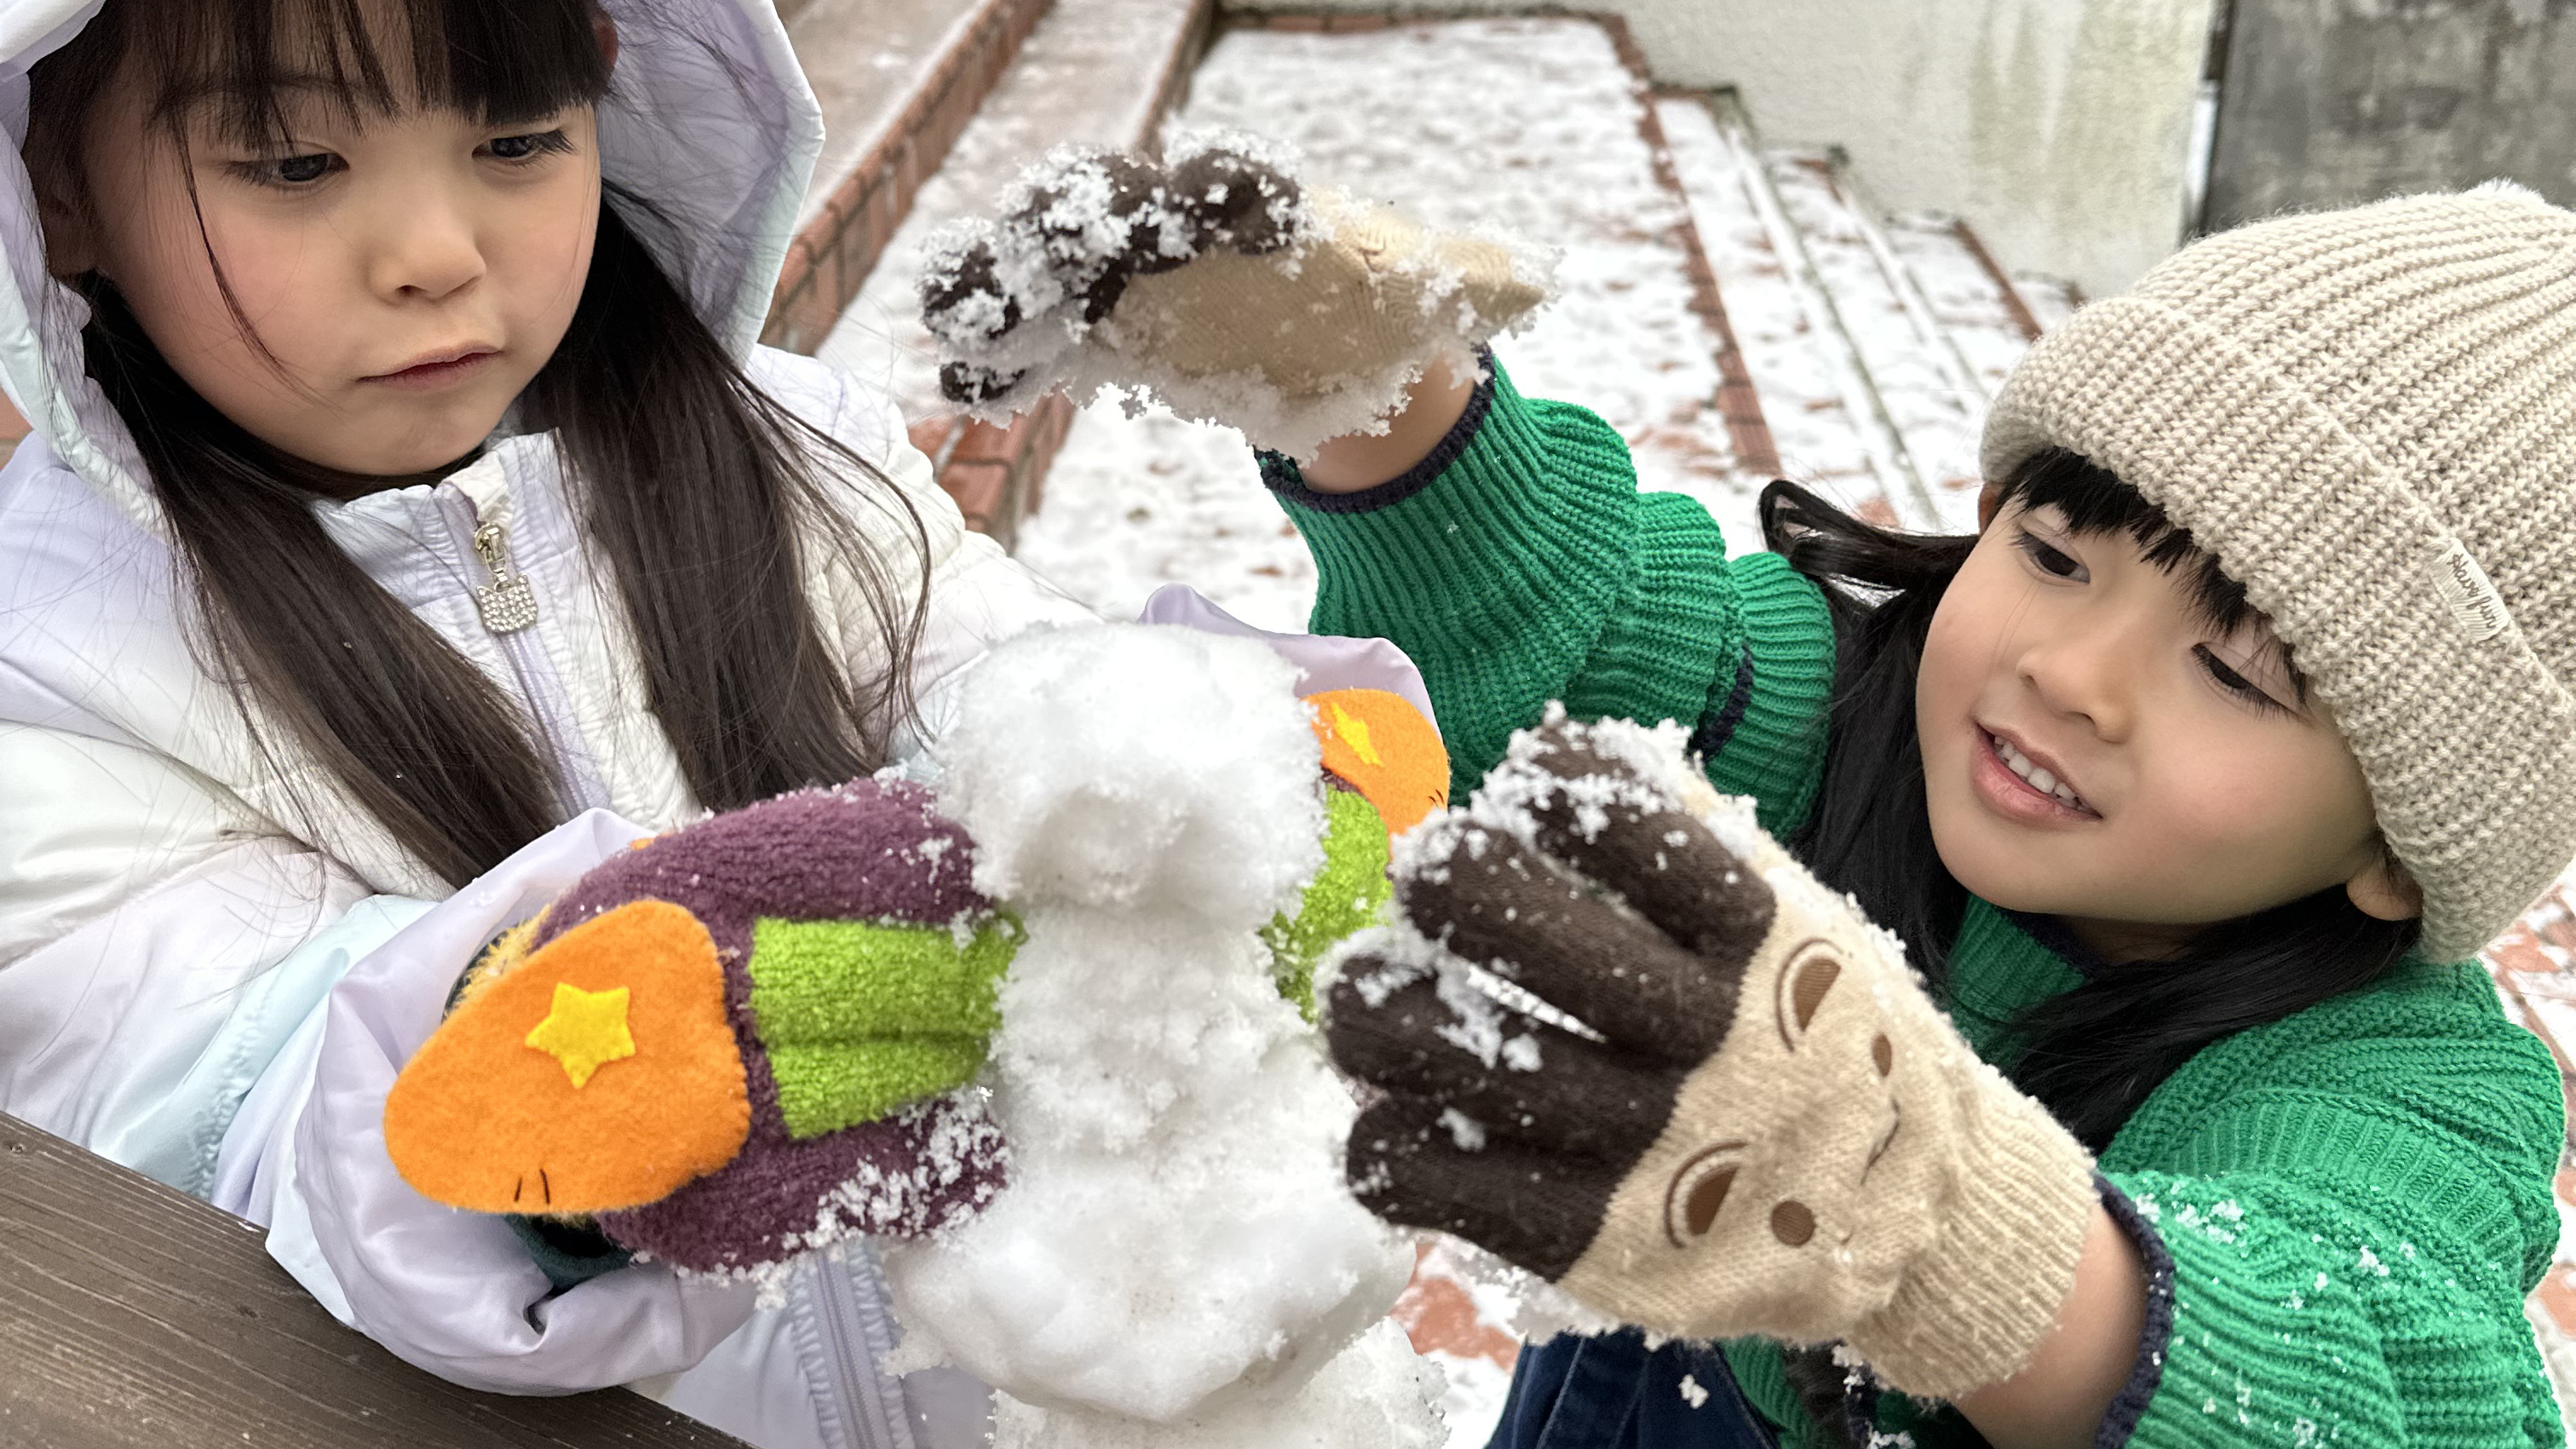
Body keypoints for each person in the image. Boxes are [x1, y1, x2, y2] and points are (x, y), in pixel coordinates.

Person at [992, 170, 2576, 1444]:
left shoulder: (2400, 1084)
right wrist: (1373, 392)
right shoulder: (1835, 719)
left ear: (2400, 839)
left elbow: (2372, 1361)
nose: (2073, 675)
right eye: (2054, 554)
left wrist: (1938, 1219)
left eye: (2236, 673)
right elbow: (1584, 633)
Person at [0, 1, 1097, 1445]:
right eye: (292, 163)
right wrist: (554, 1089)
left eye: (516, 140)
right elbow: (224, 1084)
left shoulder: (796, 452)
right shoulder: (58, 671)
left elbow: (1006, 688)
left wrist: (1183, 770)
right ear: (61, 189)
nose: (437, 254)